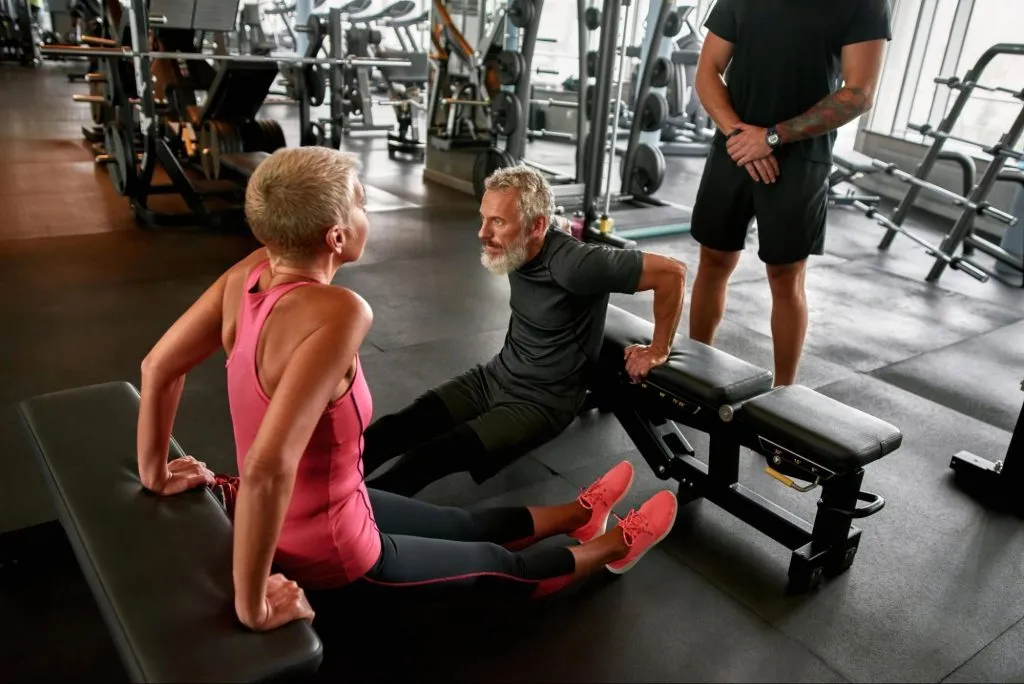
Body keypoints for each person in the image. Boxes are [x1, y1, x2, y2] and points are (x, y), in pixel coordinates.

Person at [134, 147, 680, 633]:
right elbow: (264, 468)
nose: (368, 210)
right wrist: (251, 603)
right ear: (337, 236)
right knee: (499, 566)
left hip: (338, 501)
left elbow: (158, 365)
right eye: (362, 204)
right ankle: (618, 545)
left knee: (462, 525)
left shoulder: (247, 275)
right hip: (338, 551)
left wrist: (155, 471)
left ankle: (578, 514)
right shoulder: (341, 312)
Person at [361, 166, 688, 497]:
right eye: (484, 218)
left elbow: (672, 273)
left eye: (498, 222)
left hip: (541, 403)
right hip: (496, 375)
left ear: (536, 227)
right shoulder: (519, 246)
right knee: (397, 427)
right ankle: (316, 488)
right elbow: (547, 224)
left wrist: (658, 349)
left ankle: (345, 523)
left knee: (425, 459)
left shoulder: (576, 265)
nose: (482, 233)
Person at [689, 0, 892, 386]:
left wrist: (771, 137)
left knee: (785, 275)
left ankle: (785, 396)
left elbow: (859, 92)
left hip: (800, 156)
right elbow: (708, 70)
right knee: (713, 259)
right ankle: (694, 377)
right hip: (734, 145)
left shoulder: (866, 3)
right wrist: (739, 136)